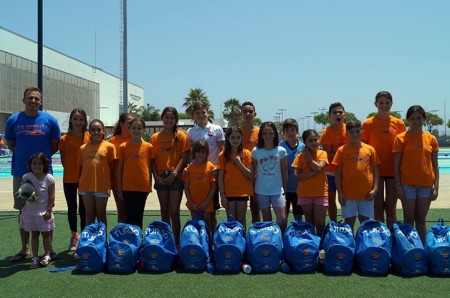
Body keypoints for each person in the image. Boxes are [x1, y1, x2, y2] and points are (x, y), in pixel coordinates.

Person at [5, 87, 60, 263]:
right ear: (24, 100)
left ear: (40, 101)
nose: (33, 101)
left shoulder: (50, 120)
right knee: (23, 210)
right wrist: (27, 165)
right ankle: (24, 248)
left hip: (44, 175)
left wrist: (40, 166)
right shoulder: (14, 120)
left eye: (37, 99)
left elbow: (54, 145)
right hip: (21, 173)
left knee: (47, 210)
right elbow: (11, 144)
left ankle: (49, 249)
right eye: (30, 98)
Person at [393, 105, 439, 244]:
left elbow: (435, 166)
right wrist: (398, 186)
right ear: (408, 120)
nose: (416, 121)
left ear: (423, 118)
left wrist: (436, 187)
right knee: (408, 219)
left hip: (426, 184)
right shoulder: (400, 139)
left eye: (419, 118)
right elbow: (396, 165)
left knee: (420, 220)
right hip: (407, 185)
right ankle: (408, 250)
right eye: (412, 118)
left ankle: (422, 250)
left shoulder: (431, 139)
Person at [361, 91, 406, 228]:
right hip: (375, 172)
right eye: (381, 103)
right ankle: (381, 237)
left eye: (387, 103)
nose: (384, 105)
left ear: (391, 104)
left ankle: (392, 236)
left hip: (394, 171)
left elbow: (404, 147)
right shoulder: (368, 123)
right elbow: (363, 147)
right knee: (378, 208)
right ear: (375, 104)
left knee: (391, 208)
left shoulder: (398, 123)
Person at [151, 107, 190, 247]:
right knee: (164, 210)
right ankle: (166, 241)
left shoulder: (181, 136)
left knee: (174, 211)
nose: (169, 120)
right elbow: (152, 159)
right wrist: (156, 176)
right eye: (166, 117)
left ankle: (177, 243)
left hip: (176, 177)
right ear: (162, 118)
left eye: (172, 118)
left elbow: (185, 157)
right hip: (161, 177)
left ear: (176, 120)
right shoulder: (155, 137)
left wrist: (175, 174)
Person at [333, 120, 380, 230]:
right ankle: (350, 245)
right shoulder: (342, 150)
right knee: (349, 222)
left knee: (365, 222)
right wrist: (340, 193)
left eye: (357, 131)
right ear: (347, 134)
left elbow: (375, 171)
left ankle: (363, 243)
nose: (355, 134)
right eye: (352, 132)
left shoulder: (370, 149)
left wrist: (375, 188)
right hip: (348, 194)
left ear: (362, 132)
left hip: (366, 194)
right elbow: (338, 173)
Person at [186, 101, 225, 232]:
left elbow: (221, 152)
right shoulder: (190, 132)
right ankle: (198, 238)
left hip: (212, 174)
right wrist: (188, 168)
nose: (201, 115)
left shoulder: (216, 129)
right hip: (197, 174)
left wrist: (218, 169)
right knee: (196, 206)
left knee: (211, 210)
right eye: (198, 113)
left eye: (203, 112)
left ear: (208, 112)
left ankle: (212, 238)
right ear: (194, 115)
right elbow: (191, 154)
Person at [58, 108, 90, 251]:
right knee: (72, 208)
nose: (78, 122)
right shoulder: (64, 139)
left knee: (84, 209)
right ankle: (74, 236)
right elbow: (64, 159)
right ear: (71, 120)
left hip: (85, 178)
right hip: (70, 178)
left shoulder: (90, 137)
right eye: (75, 119)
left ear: (85, 122)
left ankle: (84, 236)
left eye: (81, 119)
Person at [19, 152, 55, 269]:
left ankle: (47, 255)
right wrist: (26, 195)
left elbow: (51, 196)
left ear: (45, 165)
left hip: (44, 212)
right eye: (34, 163)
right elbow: (24, 191)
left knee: (46, 235)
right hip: (31, 211)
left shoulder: (49, 178)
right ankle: (35, 257)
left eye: (40, 164)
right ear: (30, 164)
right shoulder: (27, 177)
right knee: (34, 235)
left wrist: (49, 210)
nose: (37, 166)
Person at [117, 118, 154, 229]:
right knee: (129, 216)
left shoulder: (148, 147)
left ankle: (138, 240)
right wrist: (119, 189)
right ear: (129, 129)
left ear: (144, 130)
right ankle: (129, 240)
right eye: (133, 128)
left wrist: (149, 186)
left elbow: (150, 167)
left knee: (139, 216)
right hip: (128, 187)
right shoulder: (123, 147)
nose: (136, 130)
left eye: (139, 128)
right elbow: (120, 169)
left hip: (142, 187)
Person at [78, 119, 116, 227]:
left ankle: (102, 240)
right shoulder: (83, 148)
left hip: (102, 186)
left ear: (103, 131)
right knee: (89, 215)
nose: (96, 133)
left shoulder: (109, 147)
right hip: (85, 186)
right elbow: (81, 167)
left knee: (101, 214)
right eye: (93, 130)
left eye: (99, 130)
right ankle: (89, 240)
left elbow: (111, 167)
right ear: (89, 132)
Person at [252, 122, 288, 233]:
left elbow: (284, 171)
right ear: (261, 135)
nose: (268, 136)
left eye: (271, 133)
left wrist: (285, 190)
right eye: (265, 133)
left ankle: (280, 241)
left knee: (282, 219)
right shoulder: (256, 151)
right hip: (261, 190)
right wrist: (252, 190)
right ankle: (271, 244)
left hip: (277, 191)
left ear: (275, 134)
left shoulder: (281, 151)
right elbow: (253, 172)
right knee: (267, 221)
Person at [292, 129, 328, 235]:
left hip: (321, 193)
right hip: (305, 194)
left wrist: (309, 157)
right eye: (310, 140)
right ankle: (311, 243)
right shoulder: (299, 156)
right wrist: (313, 173)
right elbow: (297, 176)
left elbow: (319, 168)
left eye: (315, 139)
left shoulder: (322, 153)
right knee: (309, 222)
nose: (313, 143)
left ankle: (321, 244)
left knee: (320, 222)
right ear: (305, 143)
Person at [218, 127, 254, 230]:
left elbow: (250, 175)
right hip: (228, 193)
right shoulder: (223, 155)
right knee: (231, 220)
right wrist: (222, 194)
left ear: (241, 138)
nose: (235, 140)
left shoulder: (246, 153)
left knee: (241, 219)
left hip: (242, 192)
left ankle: (242, 242)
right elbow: (220, 176)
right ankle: (232, 242)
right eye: (233, 137)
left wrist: (239, 163)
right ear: (228, 139)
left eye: (238, 137)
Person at [319, 102, 349, 222]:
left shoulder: (349, 129)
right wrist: (343, 152)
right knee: (331, 200)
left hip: (346, 172)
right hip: (330, 172)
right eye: (335, 112)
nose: (338, 114)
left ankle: (347, 224)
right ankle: (333, 223)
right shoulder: (326, 132)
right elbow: (328, 154)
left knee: (346, 199)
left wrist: (337, 151)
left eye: (340, 112)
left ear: (344, 115)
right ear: (330, 116)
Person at [184, 140, 217, 240]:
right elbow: (186, 187)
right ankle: (197, 246)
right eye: (198, 152)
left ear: (207, 153)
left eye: (203, 152)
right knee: (196, 226)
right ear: (194, 153)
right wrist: (191, 203)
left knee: (207, 226)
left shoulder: (211, 166)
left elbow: (213, 187)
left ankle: (209, 246)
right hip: (193, 203)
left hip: (207, 204)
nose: (200, 154)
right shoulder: (189, 168)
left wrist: (206, 203)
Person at [109, 113, 134, 223]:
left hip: (132, 181)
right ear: (121, 124)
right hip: (117, 182)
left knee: (133, 211)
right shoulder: (112, 141)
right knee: (122, 211)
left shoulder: (136, 139)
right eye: (129, 122)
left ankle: (134, 236)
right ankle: (121, 237)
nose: (131, 124)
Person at [280, 118, 305, 221]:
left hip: (298, 189)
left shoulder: (303, 147)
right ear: (283, 133)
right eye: (287, 131)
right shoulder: (281, 147)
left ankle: (299, 235)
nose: (290, 133)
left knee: (298, 216)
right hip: (284, 190)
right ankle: (282, 235)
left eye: (292, 130)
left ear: (297, 131)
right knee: (283, 217)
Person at [240, 101, 261, 223]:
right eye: (245, 111)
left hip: (257, 176)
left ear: (255, 114)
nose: (248, 113)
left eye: (250, 111)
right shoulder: (236, 132)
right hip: (240, 175)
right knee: (240, 210)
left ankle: (255, 234)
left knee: (255, 208)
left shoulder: (260, 132)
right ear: (241, 114)